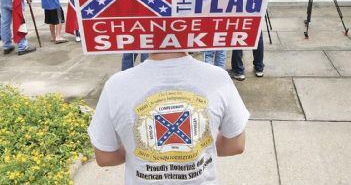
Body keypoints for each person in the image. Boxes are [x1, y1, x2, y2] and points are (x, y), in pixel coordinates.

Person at [88, 51, 249, 183]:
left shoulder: (116, 86)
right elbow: (236, 144)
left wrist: (135, 150)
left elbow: (105, 156)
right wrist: (199, 147)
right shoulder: (218, 78)